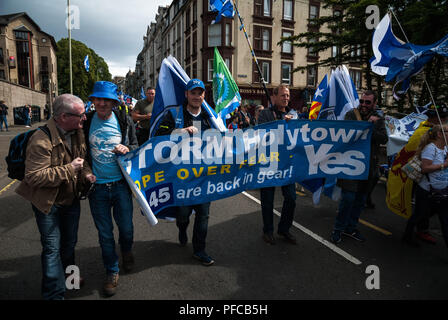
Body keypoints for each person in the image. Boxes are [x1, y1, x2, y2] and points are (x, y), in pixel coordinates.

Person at [15, 94, 94, 300]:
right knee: (52, 250)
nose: (85, 119)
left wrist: (86, 173)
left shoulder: (77, 131)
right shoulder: (40, 140)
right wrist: (70, 169)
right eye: (81, 115)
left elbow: (81, 159)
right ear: (62, 117)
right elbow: (33, 177)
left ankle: (71, 280)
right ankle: (54, 294)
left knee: (69, 245)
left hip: (71, 200)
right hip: (48, 204)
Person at [83, 81, 138, 297]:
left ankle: (126, 250)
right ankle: (112, 271)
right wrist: (85, 173)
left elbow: (135, 145)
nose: (102, 103)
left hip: (121, 186)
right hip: (97, 189)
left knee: (126, 229)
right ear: (93, 101)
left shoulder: (124, 120)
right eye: (98, 99)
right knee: (105, 234)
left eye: (106, 100)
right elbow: (78, 150)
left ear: (114, 102)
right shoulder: (86, 122)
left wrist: (128, 148)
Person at [155, 78, 215, 266]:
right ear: (186, 94)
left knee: (203, 215)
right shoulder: (174, 114)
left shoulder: (209, 116)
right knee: (183, 214)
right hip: (181, 176)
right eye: (193, 93)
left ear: (204, 95)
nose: (197, 96)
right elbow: (158, 137)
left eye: (200, 93)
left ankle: (199, 250)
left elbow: (221, 140)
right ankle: (182, 228)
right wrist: (180, 131)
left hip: (203, 176)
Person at [330, 90, 388, 244]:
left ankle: (351, 228)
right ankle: (338, 229)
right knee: (348, 199)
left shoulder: (379, 119)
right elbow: (347, 135)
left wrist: (374, 126)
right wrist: (366, 126)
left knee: (360, 200)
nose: (363, 105)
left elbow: (384, 138)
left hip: (368, 168)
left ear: (374, 104)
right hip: (350, 166)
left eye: (367, 102)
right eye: (362, 101)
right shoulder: (351, 114)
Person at [388, 103, 448, 244]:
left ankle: (422, 230)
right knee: (421, 213)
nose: (443, 119)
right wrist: (443, 165)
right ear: (432, 118)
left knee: (438, 216)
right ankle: (412, 234)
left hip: (441, 187)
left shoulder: (441, 134)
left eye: (445, 117)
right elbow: (423, 164)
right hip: (426, 184)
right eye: (441, 117)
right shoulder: (426, 134)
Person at [257, 84, 297, 245]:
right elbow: (261, 135)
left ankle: (284, 228)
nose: (286, 98)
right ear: (274, 97)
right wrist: (281, 122)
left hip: (287, 164)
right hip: (269, 163)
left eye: (287, 96)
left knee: (291, 198)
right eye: (283, 95)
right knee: (268, 200)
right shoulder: (266, 114)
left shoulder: (293, 114)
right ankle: (268, 231)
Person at [402, 124, 448, 248]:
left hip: (443, 192)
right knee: (419, 215)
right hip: (427, 191)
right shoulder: (430, 148)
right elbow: (425, 168)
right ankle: (407, 235)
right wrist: (444, 165)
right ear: (440, 134)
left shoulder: (445, 148)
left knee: (445, 222)